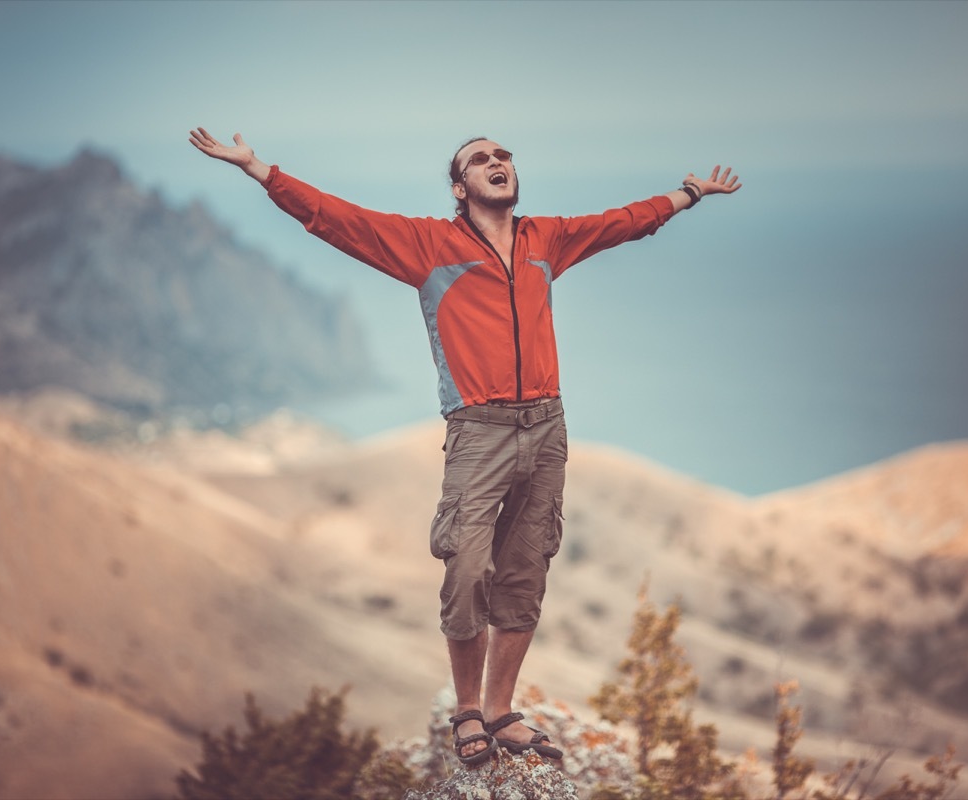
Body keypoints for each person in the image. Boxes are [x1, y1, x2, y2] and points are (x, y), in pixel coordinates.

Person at [188, 127, 741, 766]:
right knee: (468, 568)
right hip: (478, 431)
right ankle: (467, 710)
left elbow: (623, 222)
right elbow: (337, 220)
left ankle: (501, 711)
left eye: (503, 155)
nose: (497, 161)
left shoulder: (547, 239)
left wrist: (689, 193)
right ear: (460, 187)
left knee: (526, 571)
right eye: (480, 159)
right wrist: (260, 169)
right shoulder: (428, 246)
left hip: (547, 426)